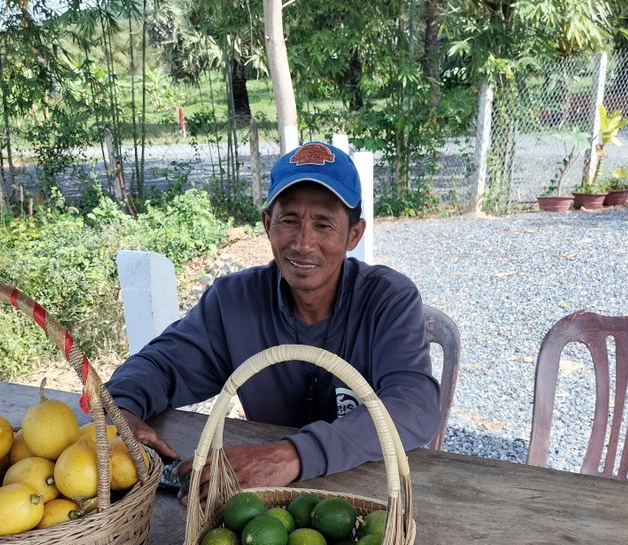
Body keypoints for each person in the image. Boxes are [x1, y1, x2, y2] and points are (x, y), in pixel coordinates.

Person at [106, 140, 441, 495]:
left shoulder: (387, 299)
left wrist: (291, 456)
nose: (303, 243)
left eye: (324, 224)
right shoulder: (233, 302)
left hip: (369, 498)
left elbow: (415, 405)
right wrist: (122, 408)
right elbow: (160, 366)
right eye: (289, 220)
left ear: (354, 234)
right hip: (263, 511)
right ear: (268, 224)